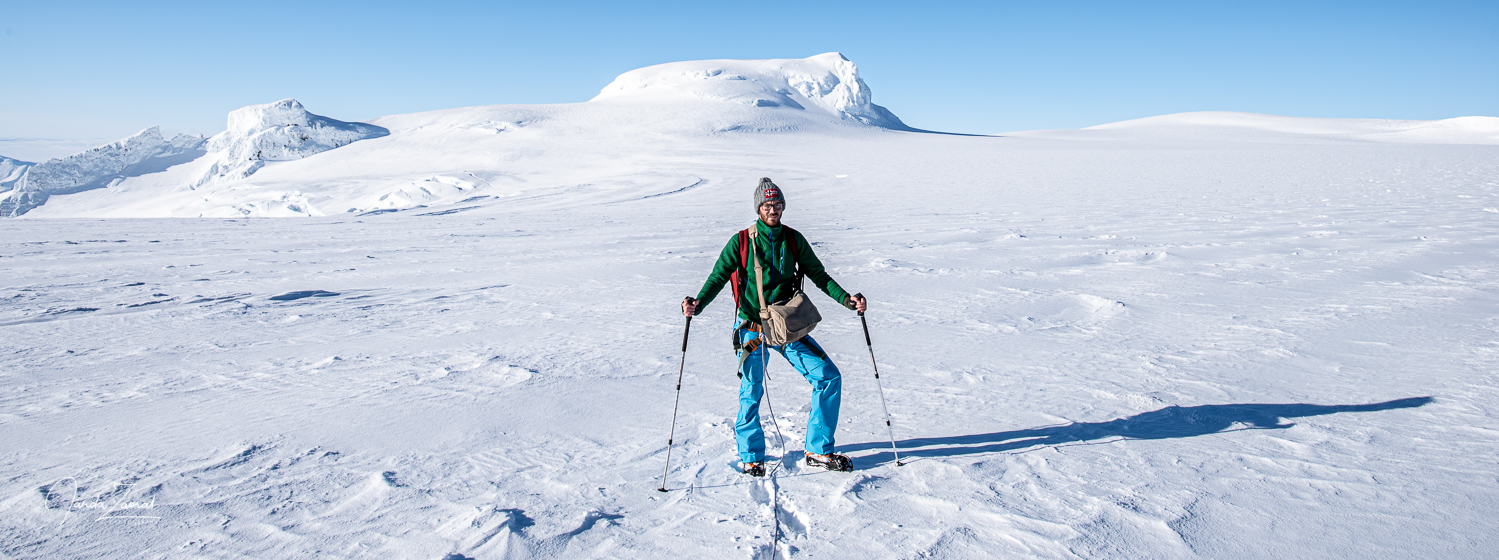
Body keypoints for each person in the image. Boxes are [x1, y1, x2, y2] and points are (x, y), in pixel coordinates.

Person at [682, 177, 868, 476]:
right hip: (752, 328)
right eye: (768, 205)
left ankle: (818, 451)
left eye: (778, 204)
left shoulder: (793, 239)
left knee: (828, 377)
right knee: (751, 389)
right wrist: (698, 304)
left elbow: (819, 275)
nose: (773, 210)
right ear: (759, 208)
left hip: (785, 327)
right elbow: (718, 276)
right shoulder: (741, 241)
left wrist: (846, 299)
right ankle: (751, 455)